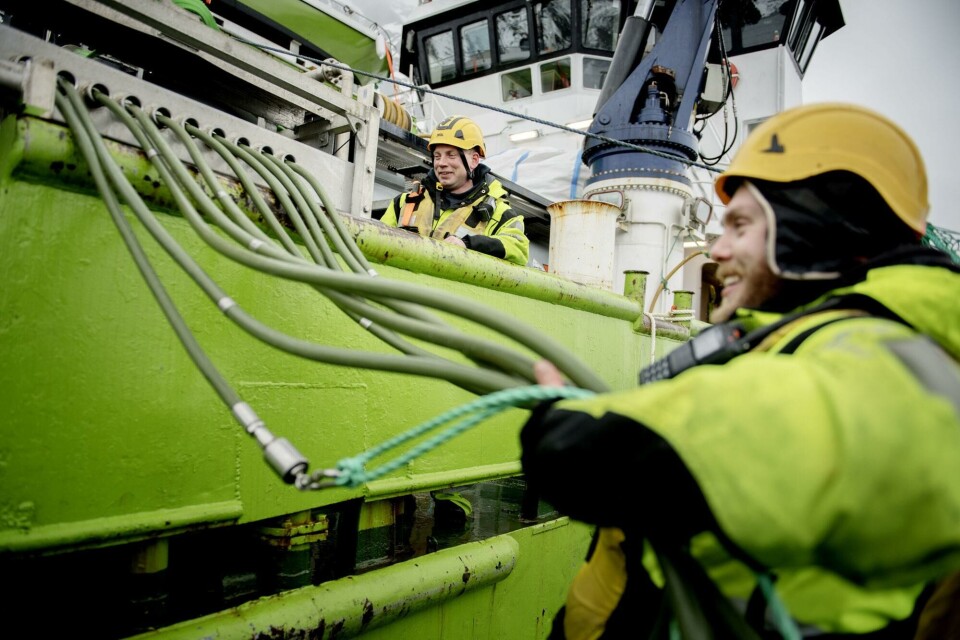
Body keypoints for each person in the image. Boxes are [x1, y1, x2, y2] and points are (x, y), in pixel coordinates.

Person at [520, 103, 960, 638]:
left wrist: (569, 427)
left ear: (813, 228)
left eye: (742, 226)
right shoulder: (817, 338)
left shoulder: (893, 349)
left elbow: (606, 456)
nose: (718, 250)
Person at [380, 115, 530, 266]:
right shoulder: (404, 202)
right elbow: (378, 239)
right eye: (437, 156)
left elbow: (519, 248)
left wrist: (468, 244)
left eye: (451, 155)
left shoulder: (501, 213)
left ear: (474, 160)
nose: (442, 163)